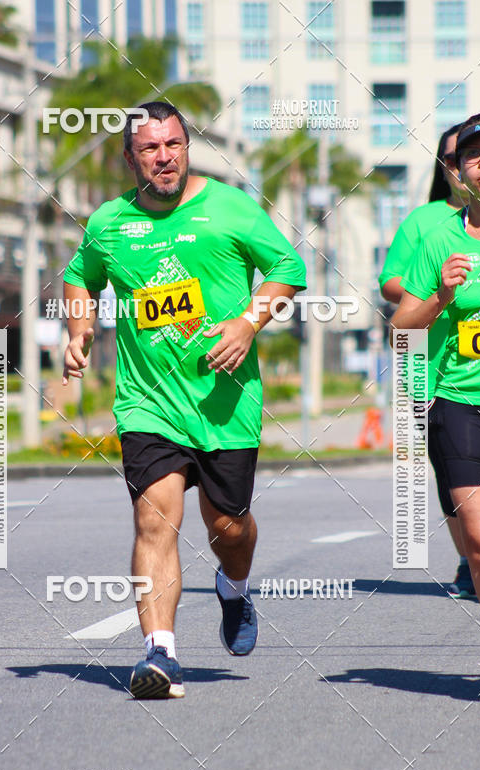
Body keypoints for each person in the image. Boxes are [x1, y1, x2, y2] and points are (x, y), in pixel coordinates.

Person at [62, 101, 306, 699]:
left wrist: (248, 322)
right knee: (154, 519)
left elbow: (288, 266)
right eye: (150, 148)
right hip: (147, 403)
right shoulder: (110, 222)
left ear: (187, 148)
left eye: (173, 144)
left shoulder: (229, 207)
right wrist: (78, 329)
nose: (164, 157)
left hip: (225, 404)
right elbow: (79, 276)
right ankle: (160, 652)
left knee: (229, 527)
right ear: (130, 158)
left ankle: (234, 587)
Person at [391, 112, 480, 703]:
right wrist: (441, 293)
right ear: (457, 171)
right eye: (474, 154)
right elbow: (401, 327)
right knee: (479, 540)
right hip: (460, 402)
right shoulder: (439, 237)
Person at [380, 123, 476, 599]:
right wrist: (435, 286)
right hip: (432, 369)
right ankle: (469, 560)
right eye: (455, 157)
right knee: (454, 472)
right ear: (445, 167)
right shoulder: (425, 222)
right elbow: (390, 283)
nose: (467, 165)